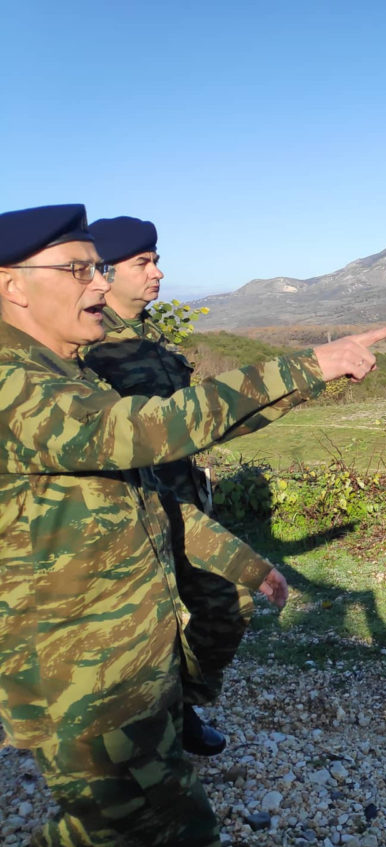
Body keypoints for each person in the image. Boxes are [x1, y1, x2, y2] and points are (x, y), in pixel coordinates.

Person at [0, 204, 386, 847]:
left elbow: (146, 498)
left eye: (100, 268)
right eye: (79, 270)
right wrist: (310, 364)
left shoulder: (63, 371)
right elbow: (154, 427)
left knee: (105, 823)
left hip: (126, 665)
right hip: (80, 682)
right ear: (13, 286)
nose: (100, 284)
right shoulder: (13, 382)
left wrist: (243, 564)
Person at [83, 216, 246, 756]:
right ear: (106, 272)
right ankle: (148, 731)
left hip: (181, 503)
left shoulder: (146, 335)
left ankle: (181, 706)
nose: (157, 273)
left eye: (156, 260)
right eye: (143, 263)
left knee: (220, 605)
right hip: (134, 514)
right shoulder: (89, 346)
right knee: (149, 629)